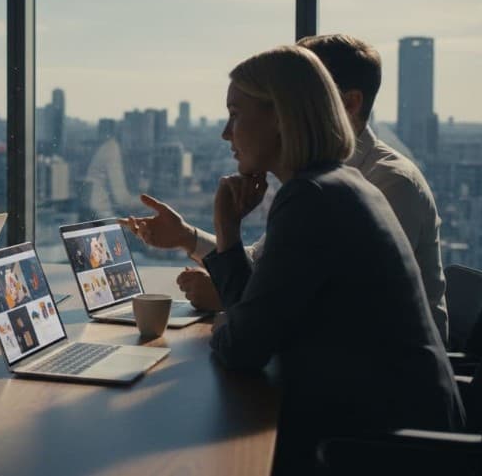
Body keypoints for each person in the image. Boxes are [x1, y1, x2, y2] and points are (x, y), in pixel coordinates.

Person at [163, 46, 463, 472]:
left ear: (282, 116)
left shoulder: (313, 198)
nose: (225, 133)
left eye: (235, 113)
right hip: (386, 424)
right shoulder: (336, 184)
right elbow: (249, 316)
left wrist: (233, 313)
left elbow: (243, 346)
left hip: (379, 447)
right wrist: (228, 236)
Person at [123, 34, 449, 344]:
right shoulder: (326, 182)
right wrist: (187, 236)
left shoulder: (382, 184)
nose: (226, 133)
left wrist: (230, 304)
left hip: (379, 394)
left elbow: (275, 319)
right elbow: (266, 271)